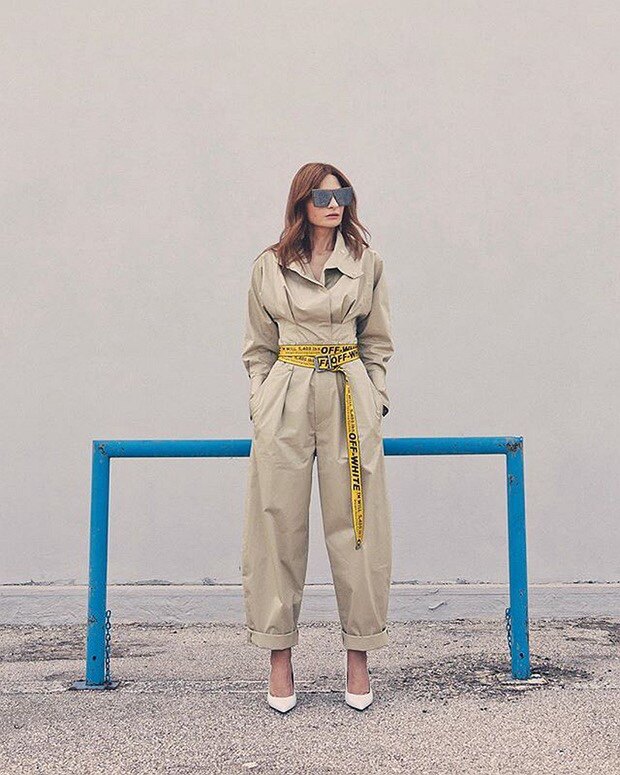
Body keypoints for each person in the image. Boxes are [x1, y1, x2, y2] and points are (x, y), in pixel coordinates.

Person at [241, 162, 394, 712]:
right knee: (276, 524)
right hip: (287, 392)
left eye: (342, 195)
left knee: (358, 525)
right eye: (323, 196)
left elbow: (377, 341)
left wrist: (375, 397)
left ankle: (360, 655)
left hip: (348, 393)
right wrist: (262, 401)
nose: (334, 205)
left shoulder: (366, 262)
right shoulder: (269, 265)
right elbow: (258, 346)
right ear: (301, 203)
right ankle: (279, 656)